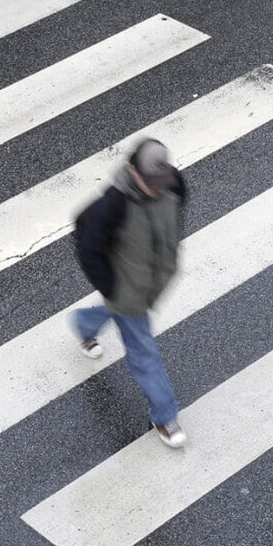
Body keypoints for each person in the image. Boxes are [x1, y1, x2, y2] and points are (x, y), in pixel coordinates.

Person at [71, 138, 187, 448]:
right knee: (144, 354)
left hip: (153, 281)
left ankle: (83, 323)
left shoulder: (173, 184)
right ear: (132, 171)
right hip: (127, 290)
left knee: (115, 312)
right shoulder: (113, 204)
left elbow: (177, 211)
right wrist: (112, 288)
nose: (157, 188)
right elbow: (86, 243)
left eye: (161, 180)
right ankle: (165, 417)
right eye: (151, 182)